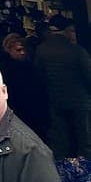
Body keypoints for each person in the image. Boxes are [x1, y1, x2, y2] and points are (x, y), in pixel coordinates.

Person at [34, 15, 91, 162]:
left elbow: (39, 77)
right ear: (66, 31)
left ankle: (65, 171)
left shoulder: (41, 50)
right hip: (81, 102)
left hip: (56, 101)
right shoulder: (76, 51)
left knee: (62, 140)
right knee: (84, 141)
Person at [0, 33, 50, 143]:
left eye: (23, 50)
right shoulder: (8, 71)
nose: (22, 53)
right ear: (8, 50)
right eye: (18, 50)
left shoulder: (28, 68)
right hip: (19, 111)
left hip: (28, 110)